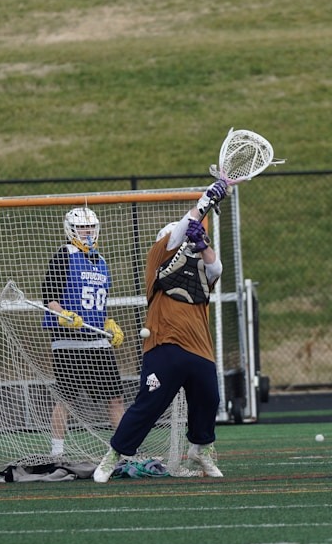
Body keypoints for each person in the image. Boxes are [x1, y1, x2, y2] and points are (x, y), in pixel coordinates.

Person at [93, 180, 230, 483]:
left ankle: (201, 450)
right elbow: (183, 226)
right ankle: (114, 455)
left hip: (199, 349)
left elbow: (216, 268)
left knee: (209, 399)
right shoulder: (158, 258)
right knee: (149, 405)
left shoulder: (201, 269)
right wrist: (208, 196)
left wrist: (203, 245)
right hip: (163, 345)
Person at [41, 207, 126, 456]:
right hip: (69, 343)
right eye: (82, 227)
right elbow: (49, 296)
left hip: (98, 342)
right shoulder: (64, 255)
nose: (87, 232)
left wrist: (109, 324)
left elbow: (98, 303)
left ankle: (123, 451)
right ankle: (56, 452)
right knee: (66, 400)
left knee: (116, 398)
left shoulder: (101, 261)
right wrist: (63, 314)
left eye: (90, 227)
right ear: (71, 230)